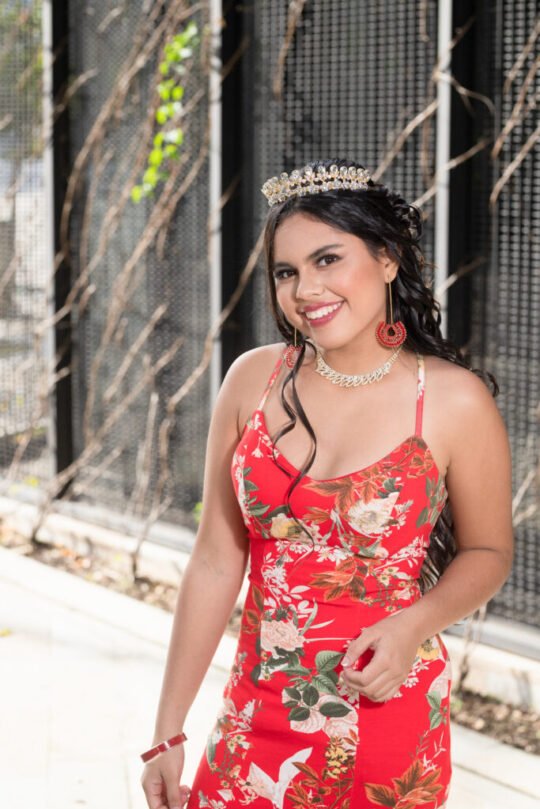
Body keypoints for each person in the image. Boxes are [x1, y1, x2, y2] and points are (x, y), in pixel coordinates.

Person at [140, 159, 514, 809]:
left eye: (328, 259)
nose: (305, 289)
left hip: (384, 720)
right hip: (254, 718)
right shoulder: (251, 380)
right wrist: (166, 731)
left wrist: (413, 625)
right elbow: (216, 560)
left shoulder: (453, 400)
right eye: (286, 271)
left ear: (387, 259)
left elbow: (489, 552)